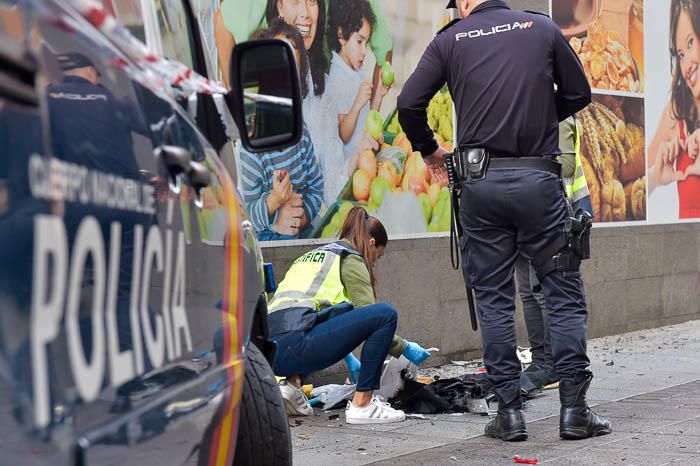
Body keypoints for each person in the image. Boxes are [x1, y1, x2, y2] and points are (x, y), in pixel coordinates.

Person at [397, 0, 611, 442]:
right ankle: (574, 411)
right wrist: (533, 112)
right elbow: (579, 93)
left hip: (480, 186)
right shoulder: (541, 28)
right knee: (563, 291)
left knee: (494, 298)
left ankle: (510, 415)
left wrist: (429, 149)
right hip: (538, 180)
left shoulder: (450, 39)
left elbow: (408, 103)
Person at [267, 207, 432, 423]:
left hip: (270, 353)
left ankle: (291, 386)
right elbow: (368, 314)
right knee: (384, 314)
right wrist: (405, 348)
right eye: (378, 257)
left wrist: (349, 358)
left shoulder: (313, 257)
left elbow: (317, 315)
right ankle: (363, 404)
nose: (373, 263)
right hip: (299, 343)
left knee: (336, 315)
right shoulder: (350, 258)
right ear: (371, 243)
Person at [517, 116, 593, 396]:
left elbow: (567, 166)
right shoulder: (525, 108)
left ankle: (553, 363)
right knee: (526, 291)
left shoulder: (556, 113)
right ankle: (540, 360)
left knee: (543, 293)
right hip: (523, 214)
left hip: (553, 217)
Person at [239, 20, 324, 240]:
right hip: (267, 241)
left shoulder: (301, 132)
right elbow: (246, 216)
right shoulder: (251, 147)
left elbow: (316, 187)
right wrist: (275, 202)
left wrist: (301, 218)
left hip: (302, 234)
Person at [322, 0, 389, 202]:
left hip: (364, 163)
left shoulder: (355, 71)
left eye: (366, 43)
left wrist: (377, 98)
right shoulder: (336, 76)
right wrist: (358, 103)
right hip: (350, 175)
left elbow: (367, 121)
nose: (363, 52)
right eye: (359, 42)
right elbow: (343, 133)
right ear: (341, 35)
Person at [649, 0, 700, 217]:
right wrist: (655, 178)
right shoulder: (676, 111)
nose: (687, 65)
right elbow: (634, 182)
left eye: (690, 43)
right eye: (680, 54)